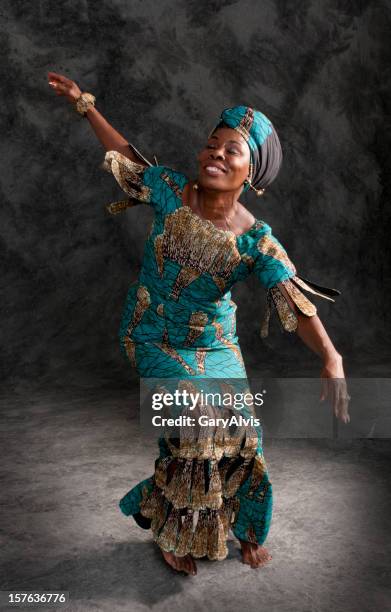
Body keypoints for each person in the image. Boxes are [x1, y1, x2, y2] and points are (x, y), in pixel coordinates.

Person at [47, 72, 351, 576]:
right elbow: (128, 154)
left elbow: (293, 300)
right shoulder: (170, 191)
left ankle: (247, 530)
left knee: (245, 433)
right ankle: (172, 530)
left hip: (215, 344)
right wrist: (85, 105)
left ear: (251, 174)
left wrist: (331, 357)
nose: (216, 153)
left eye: (232, 150)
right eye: (212, 144)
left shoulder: (257, 241)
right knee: (198, 424)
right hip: (151, 333)